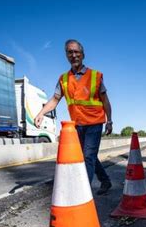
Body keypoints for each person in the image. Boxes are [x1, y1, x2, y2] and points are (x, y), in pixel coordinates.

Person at [34, 39, 112, 195]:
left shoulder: (95, 76)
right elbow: (55, 99)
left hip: (95, 123)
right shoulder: (63, 79)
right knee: (88, 155)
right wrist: (41, 113)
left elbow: (105, 101)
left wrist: (109, 120)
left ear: (83, 55)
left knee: (88, 156)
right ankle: (105, 181)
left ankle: (84, 193)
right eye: (70, 52)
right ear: (66, 55)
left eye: (77, 52)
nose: (74, 55)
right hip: (78, 124)